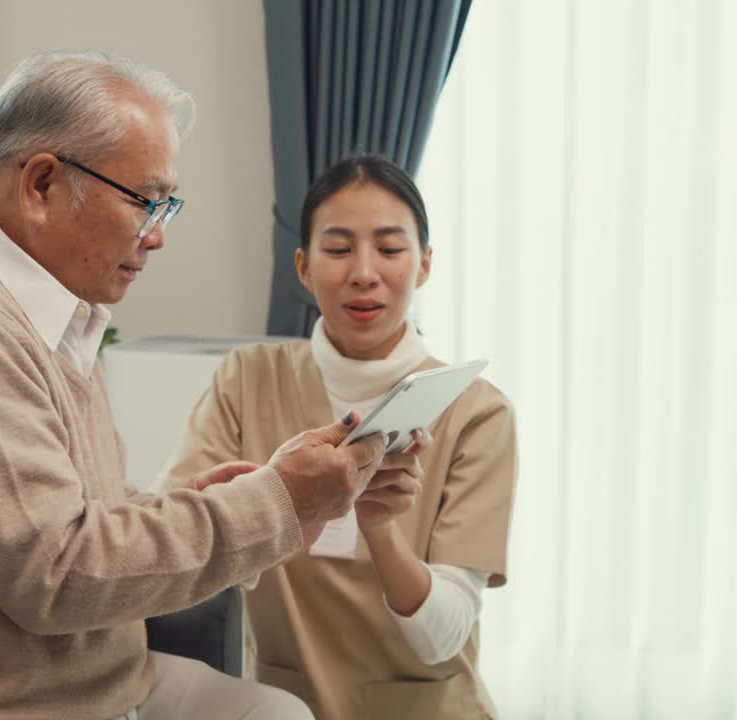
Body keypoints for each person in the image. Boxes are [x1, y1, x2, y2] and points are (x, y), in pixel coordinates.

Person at [0, 51, 396, 720]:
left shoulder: (45, 307)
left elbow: (70, 515)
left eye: (169, 206)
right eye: (146, 202)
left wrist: (236, 505)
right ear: (41, 183)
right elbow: (59, 574)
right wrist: (274, 502)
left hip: (76, 685)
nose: (158, 237)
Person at [161, 155, 518, 719]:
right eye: (338, 248)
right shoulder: (247, 379)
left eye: (390, 248)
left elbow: (443, 636)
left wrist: (379, 526)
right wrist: (283, 502)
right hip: (285, 706)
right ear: (303, 267)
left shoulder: (476, 411)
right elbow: (176, 547)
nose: (363, 272)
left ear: (424, 265)